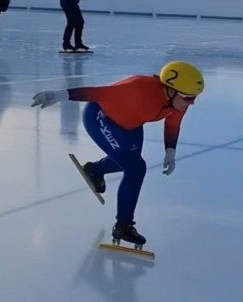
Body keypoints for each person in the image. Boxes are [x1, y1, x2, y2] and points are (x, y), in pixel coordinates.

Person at [30, 61, 205, 247]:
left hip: (131, 125)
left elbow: (172, 124)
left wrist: (170, 151)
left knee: (129, 162)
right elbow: (97, 93)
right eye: (188, 98)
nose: (191, 103)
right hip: (101, 117)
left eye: (194, 98)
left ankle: (95, 170)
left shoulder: (180, 100)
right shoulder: (137, 88)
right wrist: (57, 95)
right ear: (171, 89)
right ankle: (123, 225)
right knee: (136, 168)